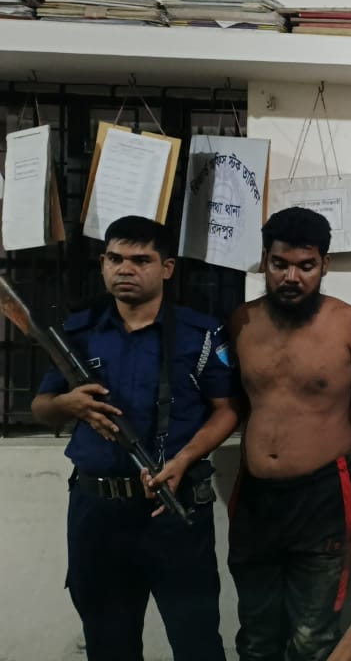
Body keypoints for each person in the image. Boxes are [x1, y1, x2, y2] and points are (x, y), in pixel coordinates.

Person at [31, 216, 237, 661]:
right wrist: (69, 404)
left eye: (141, 260)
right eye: (115, 259)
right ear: (103, 263)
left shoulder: (200, 334)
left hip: (174, 508)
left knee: (197, 641)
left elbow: (228, 410)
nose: (125, 269)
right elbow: (41, 406)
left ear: (167, 268)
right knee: (108, 644)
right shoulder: (78, 332)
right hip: (97, 512)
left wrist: (184, 459)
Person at [226, 207, 351, 661]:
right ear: (264, 261)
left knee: (313, 639)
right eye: (280, 264)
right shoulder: (241, 322)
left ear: (324, 264)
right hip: (255, 496)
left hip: (322, 496)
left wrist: (316, 447)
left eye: (306, 266)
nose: (291, 277)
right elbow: (234, 402)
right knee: (256, 637)